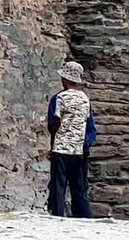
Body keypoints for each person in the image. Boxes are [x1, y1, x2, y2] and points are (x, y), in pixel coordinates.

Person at [47, 59, 95, 218]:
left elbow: (53, 123)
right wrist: (85, 144)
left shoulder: (58, 98)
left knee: (58, 186)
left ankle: (58, 215)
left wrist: (53, 145)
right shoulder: (85, 99)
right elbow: (89, 125)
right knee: (79, 187)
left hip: (61, 148)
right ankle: (84, 217)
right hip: (80, 149)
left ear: (65, 79)